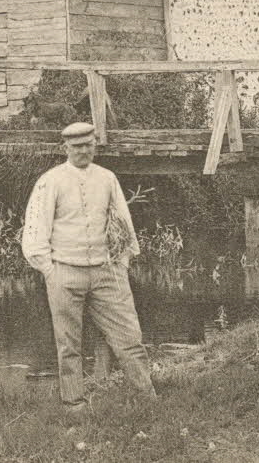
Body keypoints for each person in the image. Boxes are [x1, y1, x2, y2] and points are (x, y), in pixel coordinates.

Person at [21, 121, 156, 413]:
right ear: (65, 148)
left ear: (95, 145)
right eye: (77, 146)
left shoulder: (107, 178)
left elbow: (123, 223)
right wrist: (50, 270)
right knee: (68, 344)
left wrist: (121, 262)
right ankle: (74, 405)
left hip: (107, 271)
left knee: (129, 338)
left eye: (88, 145)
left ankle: (147, 399)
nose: (83, 151)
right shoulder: (50, 181)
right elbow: (35, 228)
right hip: (65, 271)